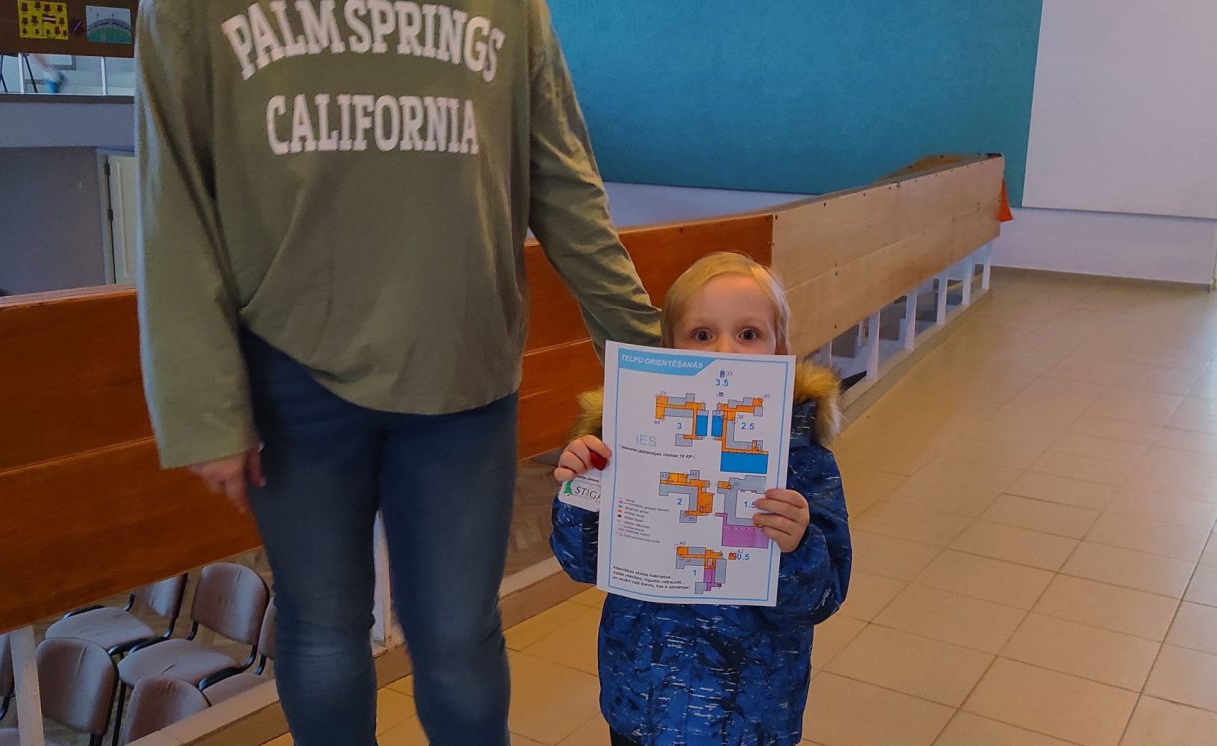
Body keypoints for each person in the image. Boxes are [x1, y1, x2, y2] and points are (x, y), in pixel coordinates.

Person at [134, 1, 660, 744]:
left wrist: (653, 360)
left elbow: (563, 181)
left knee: (458, 638)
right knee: (323, 630)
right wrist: (204, 405)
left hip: (462, 370)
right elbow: (175, 200)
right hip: (290, 368)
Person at [552, 252, 852, 745]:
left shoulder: (803, 461)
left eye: (749, 334)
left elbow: (821, 599)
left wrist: (798, 546)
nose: (726, 351)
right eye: (702, 334)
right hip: (641, 708)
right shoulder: (627, 443)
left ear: (782, 351)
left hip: (750, 721)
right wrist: (580, 491)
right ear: (670, 350)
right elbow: (581, 562)